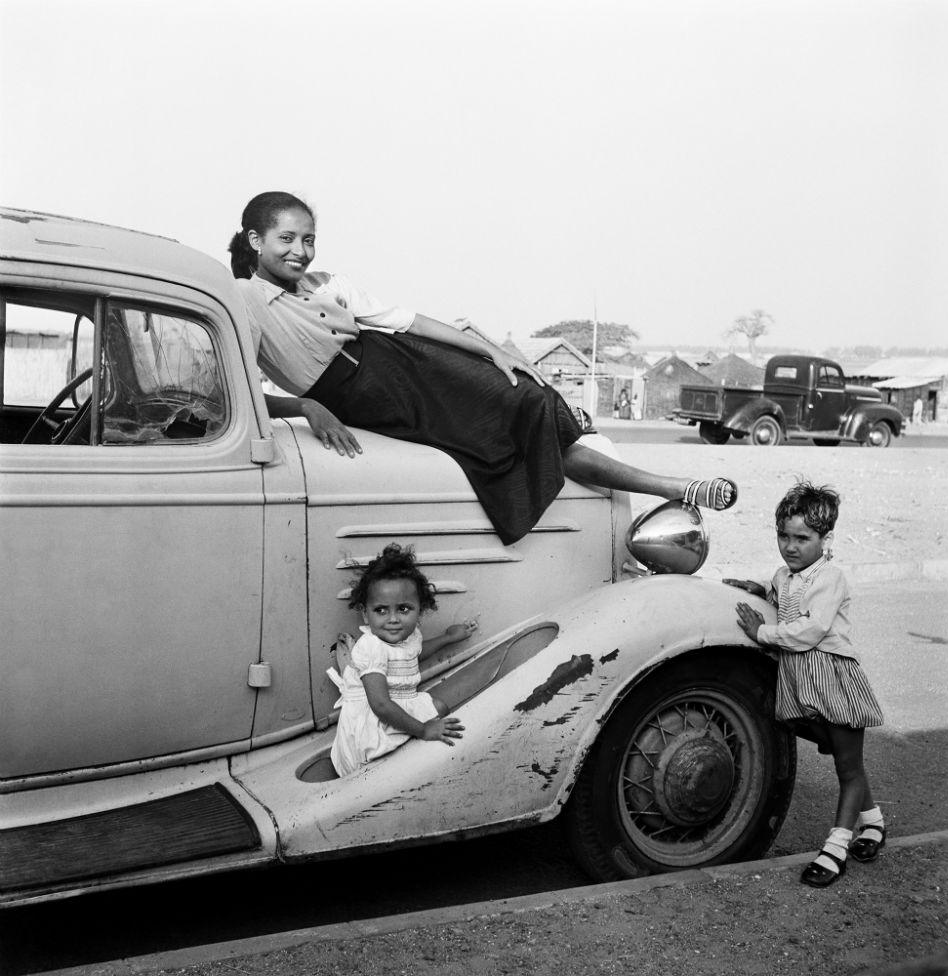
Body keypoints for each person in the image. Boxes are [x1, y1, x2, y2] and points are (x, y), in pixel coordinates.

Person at [227, 191, 738, 545]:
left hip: (408, 365)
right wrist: (305, 405)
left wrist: (489, 350)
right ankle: (669, 487)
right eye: (287, 239)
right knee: (501, 447)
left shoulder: (328, 280)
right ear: (255, 241)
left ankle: (675, 488)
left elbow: (406, 321)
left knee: (530, 400)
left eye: (308, 239)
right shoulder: (243, 298)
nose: (300, 251)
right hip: (364, 400)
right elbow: (244, 389)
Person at [725, 482, 885, 889]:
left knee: (848, 768)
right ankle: (874, 823)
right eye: (784, 536)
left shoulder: (831, 579)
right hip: (800, 684)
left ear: (825, 540)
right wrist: (759, 589)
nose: (791, 547)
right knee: (845, 758)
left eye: (802, 538)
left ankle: (835, 850)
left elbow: (810, 630)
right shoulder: (784, 574)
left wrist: (763, 632)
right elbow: (782, 595)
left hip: (832, 679)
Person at [328, 544, 477, 776]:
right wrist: (423, 729)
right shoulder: (372, 646)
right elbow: (380, 704)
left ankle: (419, 758)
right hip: (375, 721)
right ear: (366, 614)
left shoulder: (409, 638)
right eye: (381, 610)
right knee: (393, 759)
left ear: (420, 611)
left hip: (398, 705)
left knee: (441, 707)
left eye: (404, 609)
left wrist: (448, 638)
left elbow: (413, 655)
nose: (393, 619)